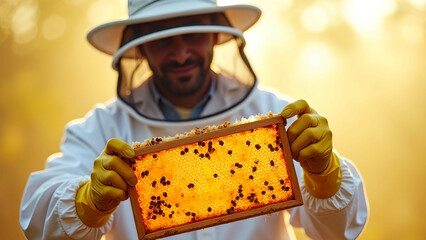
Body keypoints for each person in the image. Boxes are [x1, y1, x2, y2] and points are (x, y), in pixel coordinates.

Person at [20, 0, 368, 239]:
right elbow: (38, 222)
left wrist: (323, 176)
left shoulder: (277, 114)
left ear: (216, 35)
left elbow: (339, 231)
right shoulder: (97, 130)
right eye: (163, 39)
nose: (181, 52)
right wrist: (87, 202)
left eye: (193, 34)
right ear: (139, 47)